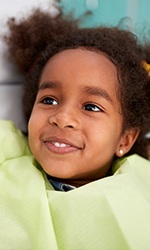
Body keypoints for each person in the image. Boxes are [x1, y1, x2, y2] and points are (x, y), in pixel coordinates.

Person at [0, 6, 150, 250]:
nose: (62, 117)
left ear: (125, 140)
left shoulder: (140, 194)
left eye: (91, 107)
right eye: (49, 100)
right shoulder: (8, 160)